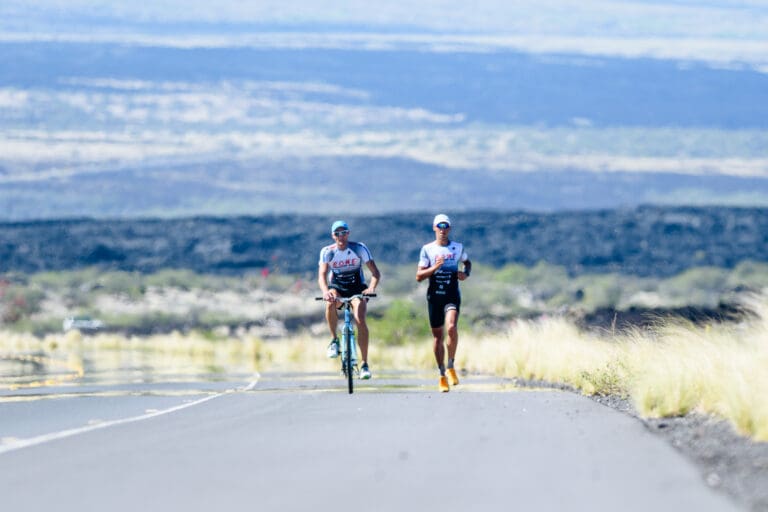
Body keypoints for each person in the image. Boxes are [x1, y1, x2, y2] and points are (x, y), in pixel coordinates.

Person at [318, 220, 381, 380]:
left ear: (348, 233)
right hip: (337, 287)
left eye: (343, 232)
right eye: (337, 233)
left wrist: (371, 288)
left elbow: (375, 273)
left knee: (360, 318)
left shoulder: (358, 248)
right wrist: (325, 292)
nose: (341, 236)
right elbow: (322, 275)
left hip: (357, 288)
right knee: (330, 301)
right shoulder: (327, 251)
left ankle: (364, 364)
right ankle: (334, 340)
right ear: (333, 236)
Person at [416, 214, 471, 392]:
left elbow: (467, 262)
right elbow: (419, 277)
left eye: (445, 226)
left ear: (449, 229)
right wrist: (435, 267)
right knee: (438, 337)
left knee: (452, 328)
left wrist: (465, 273)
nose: (442, 229)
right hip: (434, 297)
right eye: (439, 226)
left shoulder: (457, 247)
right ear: (434, 228)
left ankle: (451, 365)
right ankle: (441, 375)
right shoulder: (427, 249)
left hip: (451, 295)